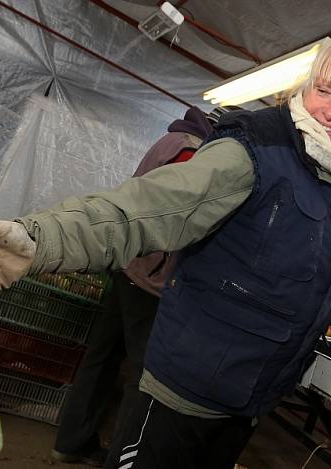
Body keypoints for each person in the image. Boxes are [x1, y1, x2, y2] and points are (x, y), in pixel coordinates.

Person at [0, 30, 331, 469]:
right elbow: (145, 208)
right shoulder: (254, 152)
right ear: (305, 87)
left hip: (251, 399)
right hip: (183, 392)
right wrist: (37, 241)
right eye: (323, 89)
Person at [50, 106, 215, 466]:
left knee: (103, 356)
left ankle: (71, 440)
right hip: (151, 279)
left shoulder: (171, 139)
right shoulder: (191, 154)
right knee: (144, 376)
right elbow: (174, 217)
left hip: (128, 266)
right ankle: (123, 459)